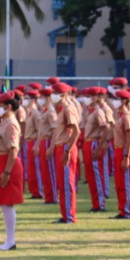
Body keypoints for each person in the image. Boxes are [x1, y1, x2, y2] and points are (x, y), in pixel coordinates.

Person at [0, 91, 24, 251]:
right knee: (3, 203)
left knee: (7, 204)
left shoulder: (10, 124)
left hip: (8, 164)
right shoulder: (4, 122)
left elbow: (13, 150)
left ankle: (11, 240)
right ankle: (9, 240)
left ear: (8, 107)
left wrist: (7, 172)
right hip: (1, 163)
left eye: (0, 106)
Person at [51, 82, 81, 223]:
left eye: (55, 93)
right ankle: (65, 214)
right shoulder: (61, 109)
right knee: (62, 183)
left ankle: (69, 215)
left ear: (63, 95)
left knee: (67, 182)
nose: (53, 96)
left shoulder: (68, 109)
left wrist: (68, 150)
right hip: (60, 146)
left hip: (65, 147)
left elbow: (76, 131)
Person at [111, 89, 130, 218]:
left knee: (125, 182)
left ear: (124, 101)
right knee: (119, 182)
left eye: (117, 99)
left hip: (123, 150)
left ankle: (126, 211)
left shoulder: (126, 116)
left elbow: (129, 136)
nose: (114, 102)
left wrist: (126, 155)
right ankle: (122, 209)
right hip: (117, 149)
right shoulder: (119, 115)